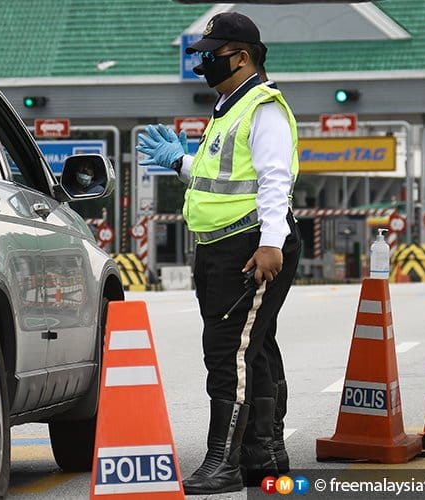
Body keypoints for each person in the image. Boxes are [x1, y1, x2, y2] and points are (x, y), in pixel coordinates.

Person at [137, 11, 301, 495]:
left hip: (251, 246)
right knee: (256, 347)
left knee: (228, 355)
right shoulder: (229, 108)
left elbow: (275, 180)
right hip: (219, 247)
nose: (203, 65)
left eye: (212, 56)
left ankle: (221, 461)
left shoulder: (262, 108)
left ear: (243, 57)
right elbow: (225, 180)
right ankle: (263, 455)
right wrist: (181, 161)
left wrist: (271, 242)